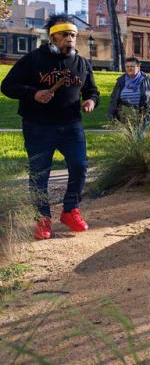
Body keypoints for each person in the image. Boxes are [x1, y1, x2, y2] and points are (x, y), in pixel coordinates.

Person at [1, 14, 98, 240]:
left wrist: (91, 101)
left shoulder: (82, 64)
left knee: (80, 166)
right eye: (65, 35)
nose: (70, 39)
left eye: (73, 35)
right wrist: (33, 93)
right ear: (53, 37)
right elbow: (7, 86)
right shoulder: (33, 59)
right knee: (39, 175)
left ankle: (70, 210)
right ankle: (42, 218)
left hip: (71, 126)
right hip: (38, 127)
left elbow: (92, 91)